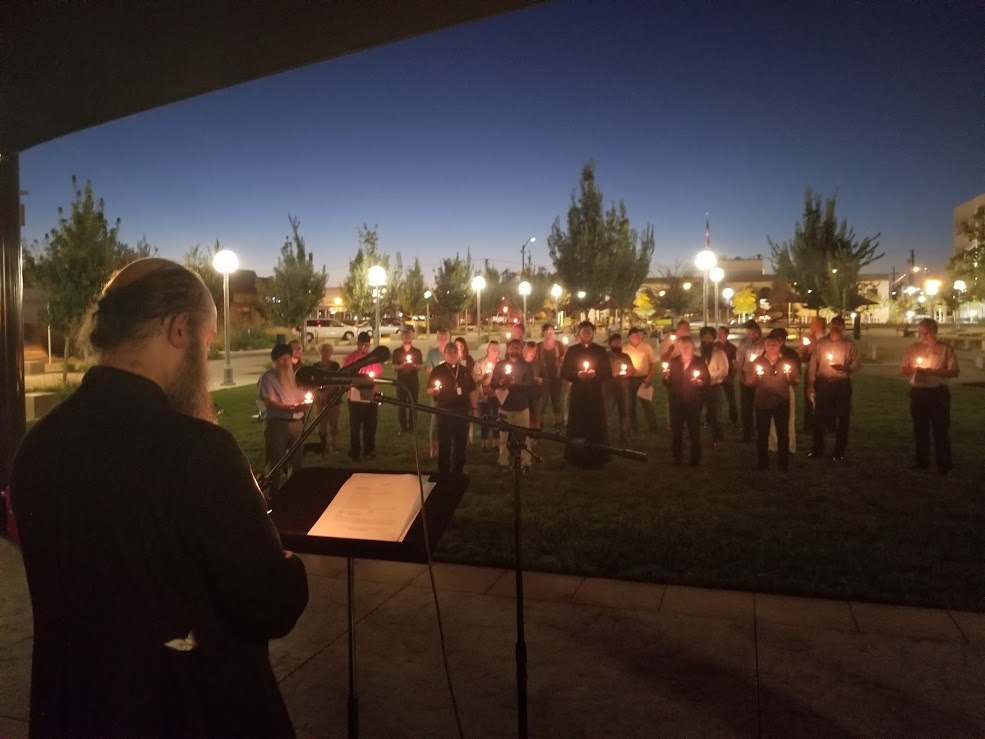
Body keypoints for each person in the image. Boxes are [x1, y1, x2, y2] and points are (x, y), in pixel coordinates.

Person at [9, 258, 308, 737]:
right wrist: (289, 565)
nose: (205, 363)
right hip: (190, 714)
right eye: (207, 343)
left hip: (75, 713)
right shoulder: (198, 451)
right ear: (180, 329)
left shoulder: (38, 447)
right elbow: (268, 603)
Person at [900, 318, 959, 474]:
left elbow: (954, 371)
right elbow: (903, 369)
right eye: (921, 333)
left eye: (926, 333)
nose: (923, 336)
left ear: (933, 332)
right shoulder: (913, 348)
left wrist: (933, 372)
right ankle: (922, 461)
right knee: (920, 428)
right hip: (918, 393)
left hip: (937, 393)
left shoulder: (945, 349)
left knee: (940, 429)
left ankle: (944, 464)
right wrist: (913, 369)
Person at [807, 315, 861, 461]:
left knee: (843, 418)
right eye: (834, 324)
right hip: (823, 383)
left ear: (843, 327)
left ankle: (839, 452)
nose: (836, 327)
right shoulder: (821, 343)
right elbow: (813, 364)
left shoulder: (849, 345)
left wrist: (847, 367)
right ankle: (817, 449)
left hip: (841, 384)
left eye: (839, 325)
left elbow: (857, 363)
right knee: (819, 417)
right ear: (830, 326)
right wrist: (811, 383)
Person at [259, 342, 311, 494]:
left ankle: (294, 492)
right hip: (277, 423)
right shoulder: (268, 377)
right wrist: (287, 408)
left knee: (296, 460)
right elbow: (267, 401)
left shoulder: (296, 377)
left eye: (288, 358)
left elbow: (304, 396)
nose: (285, 362)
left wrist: (305, 403)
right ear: (275, 361)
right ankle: (272, 494)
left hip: (296, 423)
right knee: (275, 461)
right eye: (281, 359)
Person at [560, 320, 612, 468]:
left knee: (596, 424)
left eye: (589, 332)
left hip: (594, 394)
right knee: (578, 425)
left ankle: (598, 455)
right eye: (584, 332)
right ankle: (576, 456)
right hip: (578, 394)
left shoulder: (600, 351)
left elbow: (608, 373)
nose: (587, 334)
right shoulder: (572, 351)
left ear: (593, 333)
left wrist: (595, 375)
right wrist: (577, 375)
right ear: (579, 334)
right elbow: (564, 372)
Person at [427, 341, 478, 476]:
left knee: (461, 441)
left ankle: (458, 469)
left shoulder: (464, 371)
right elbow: (429, 389)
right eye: (450, 352)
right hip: (445, 410)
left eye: (455, 352)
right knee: (444, 441)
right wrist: (434, 391)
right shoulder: (439, 370)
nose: (453, 355)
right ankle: (443, 469)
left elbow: (472, 390)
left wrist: (474, 407)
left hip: (462, 411)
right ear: (445, 354)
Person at [751, 336, 800, 471]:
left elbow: (796, 381)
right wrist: (755, 378)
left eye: (775, 344)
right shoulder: (758, 362)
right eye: (769, 344)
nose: (772, 346)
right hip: (762, 402)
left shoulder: (787, 362)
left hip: (781, 401)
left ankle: (783, 463)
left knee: (783, 433)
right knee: (762, 434)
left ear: (779, 347)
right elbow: (749, 381)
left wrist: (790, 377)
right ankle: (762, 462)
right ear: (764, 347)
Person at [662, 336, 710, 466]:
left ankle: (695, 460)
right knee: (676, 432)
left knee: (694, 432)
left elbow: (707, 380)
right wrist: (666, 377)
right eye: (682, 346)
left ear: (692, 346)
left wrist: (700, 382)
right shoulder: (674, 362)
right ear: (679, 348)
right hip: (676, 402)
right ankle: (677, 458)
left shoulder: (699, 361)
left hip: (693, 402)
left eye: (687, 346)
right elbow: (668, 383)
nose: (685, 349)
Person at [491, 338, 534, 470]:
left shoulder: (526, 366)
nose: (514, 350)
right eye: (512, 347)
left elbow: (530, 384)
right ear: (507, 349)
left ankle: (525, 462)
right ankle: (503, 461)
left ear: (521, 349)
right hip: (505, 406)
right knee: (504, 436)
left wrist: (516, 384)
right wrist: (501, 383)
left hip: (521, 406)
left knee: (523, 436)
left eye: (517, 347)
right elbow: (493, 383)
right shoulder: (500, 365)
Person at [343, 331, 382, 461]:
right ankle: (355, 452)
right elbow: (347, 376)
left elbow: (377, 376)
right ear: (358, 344)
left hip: (370, 394)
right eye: (362, 345)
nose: (364, 348)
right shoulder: (351, 359)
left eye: (366, 345)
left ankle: (369, 450)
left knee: (370, 424)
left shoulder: (373, 359)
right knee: (355, 425)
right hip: (355, 394)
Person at [766, 328, 801, 455]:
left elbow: (797, 376)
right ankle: (772, 444)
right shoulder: (765, 355)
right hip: (768, 389)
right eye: (774, 339)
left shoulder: (790, 354)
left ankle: (789, 445)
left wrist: (789, 377)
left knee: (788, 419)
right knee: (770, 420)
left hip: (785, 388)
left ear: (784, 340)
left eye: (779, 339)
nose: (776, 342)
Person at [698, 326, 729, 448]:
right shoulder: (696, 351)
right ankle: (694, 437)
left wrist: (709, 378)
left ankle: (718, 439)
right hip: (698, 387)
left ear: (713, 338)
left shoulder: (719, 353)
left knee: (716, 414)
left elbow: (724, 370)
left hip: (714, 387)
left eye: (709, 337)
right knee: (695, 413)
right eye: (704, 337)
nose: (707, 340)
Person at [734, 320, 764, 442]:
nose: (753, 336)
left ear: (759, 332)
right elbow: (739, 360)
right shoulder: (743, 344)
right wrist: (741, 373)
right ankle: (747, 433)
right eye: (750, 334)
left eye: (755, 333)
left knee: (761, 407)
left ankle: (761, 432)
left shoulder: (765, 343)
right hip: (746, 378)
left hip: (761, 380)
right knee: (746, 407)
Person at [624, 327, 658, 434]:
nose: (637, 338)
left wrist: (649, 378)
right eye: (634, 336)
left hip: (643, 378)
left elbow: (652, 364)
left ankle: (653, 426)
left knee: (647, 404)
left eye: (639, 335)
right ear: (629, 337)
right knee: (630, 405)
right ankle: (634, 427)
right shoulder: (625, 349)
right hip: (629, 379)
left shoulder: (646, 347)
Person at [603, 333, 635, 444]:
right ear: (610, 343)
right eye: (615, 342)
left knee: (624, 412)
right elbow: (602, 371)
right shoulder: (606, 356)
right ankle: (606, 434)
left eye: (619, 341)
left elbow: (631, 369)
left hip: (623, 389)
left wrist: (625, 375)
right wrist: (612, 374)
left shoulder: (625, 356)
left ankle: (623, 433)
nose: (617, 344)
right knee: (608, 412)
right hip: (609, 389)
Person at [537, 323, 567, 433]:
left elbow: (563, 359)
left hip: (556, 378)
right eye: (547, 331)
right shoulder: (539, 346)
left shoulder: (558, 345)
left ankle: (557, 425)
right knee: (542, 402)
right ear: (543, 333)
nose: (549, 333)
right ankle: (539, 424)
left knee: (557, 402)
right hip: (544, 378)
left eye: (551, 331)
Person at [392, 327, 424, 433]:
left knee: (413, 404)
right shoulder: (397, 352)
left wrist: (413, 365)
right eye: (405, 337)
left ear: (411, 338)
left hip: (413, 381)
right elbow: (394, 367)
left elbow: (420, 367)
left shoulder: (417, 352)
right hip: (401, 381)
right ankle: (403, 427)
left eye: (409, 337)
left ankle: (412, 426)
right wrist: (403, 366)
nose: (407, 338)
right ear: (402, 338)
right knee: (402, 404)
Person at [426, 329, 451, 457]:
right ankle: (433, 448)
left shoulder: (451, 354)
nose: (443, 341)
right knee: (435, 421)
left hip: (449, 393)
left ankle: (446, 447)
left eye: (445, 338)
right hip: (437, 392)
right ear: (437, 339)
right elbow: (430, 372)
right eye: (441, 338)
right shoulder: (432, 354)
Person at [798, 316, 827, 432]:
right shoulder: (809, 339)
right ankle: (808, 424)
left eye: (813, 324)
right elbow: (802, 356)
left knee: (823, 399)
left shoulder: (826, 339)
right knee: (809, 398)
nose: (811, 326)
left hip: (824, 373)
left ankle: (822, 423)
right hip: (811, 370)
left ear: (819, 326)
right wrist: (805, 352)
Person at [313, 343, 342, 453]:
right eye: (325, 351)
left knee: (334, 421)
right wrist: (319, 393)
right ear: (321, 352)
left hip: (333, 397)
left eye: (330, 352)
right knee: (321, 421)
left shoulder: (335, 366)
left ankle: (333, 443)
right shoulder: (315, 366)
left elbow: (337, 381)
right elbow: (313, 381)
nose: (328, 354)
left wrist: (327, 392)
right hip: (319, 398)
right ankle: (322, 443)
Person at [475, 340, 502, 450]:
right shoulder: (480, 363)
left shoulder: (501, 363)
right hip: (484, 396)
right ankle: (484, 443)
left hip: (497, 395)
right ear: (487, 350)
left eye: (496, 349)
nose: (494, 351)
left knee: (497, 418)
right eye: (492, 349)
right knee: (485, 419)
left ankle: (496, 442)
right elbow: (476, 380)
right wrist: (483, 377)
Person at [715, 326, 739, 427]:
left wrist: (731, 376)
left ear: (726, 334)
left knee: (731, 400)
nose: (719, 335)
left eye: (721, 333)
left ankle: (734, 420)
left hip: (728, 377)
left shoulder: (732, 348)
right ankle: (714, 419)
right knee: (715, 400)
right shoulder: (714, 346)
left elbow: (735, 364)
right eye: (718, 333)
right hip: (716, 376)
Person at [523, 340, 546, 443]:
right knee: (526, 416)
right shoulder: (521, 363)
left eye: (534, 351)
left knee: (535, 416)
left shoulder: (540, 363)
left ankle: (534, 438)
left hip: (536, 393)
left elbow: (546, 378)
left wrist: (541, 380)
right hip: (524, 393)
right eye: (530, 351)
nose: (532, 354)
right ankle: (527, 437)